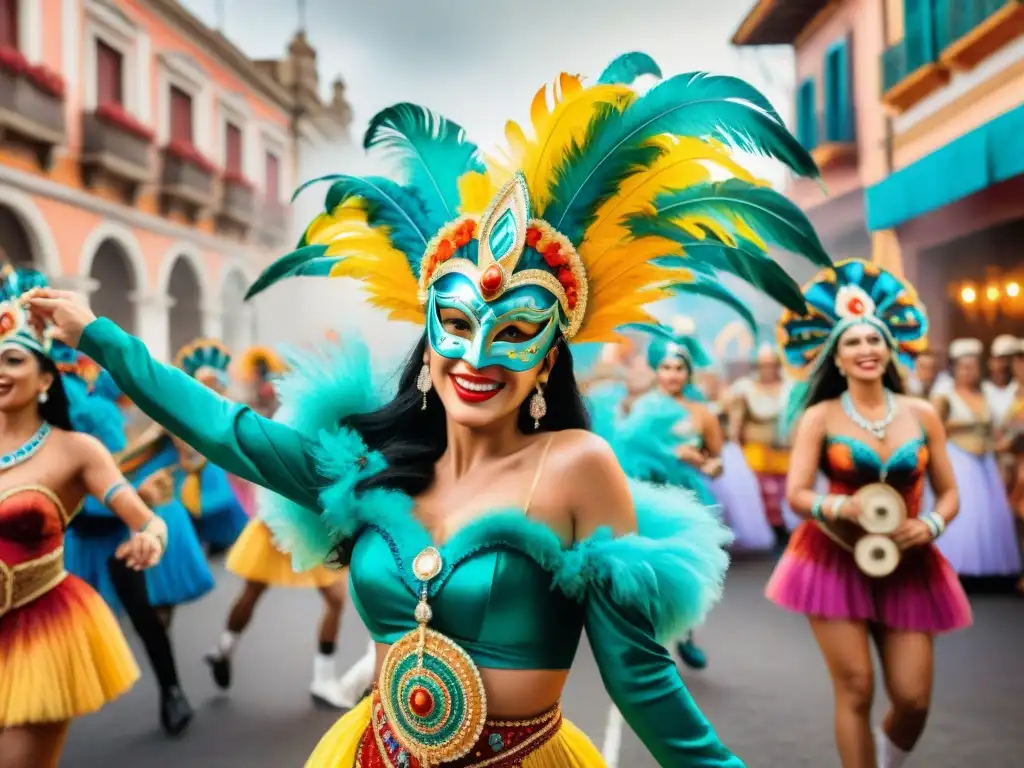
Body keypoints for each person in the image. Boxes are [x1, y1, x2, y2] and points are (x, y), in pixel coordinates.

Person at [24, 53, 830, 766]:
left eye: (513, 332)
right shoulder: (367, 468)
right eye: (456, 326)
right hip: (372, 753)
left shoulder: (578, 469)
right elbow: (221, 426)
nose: (477, 358)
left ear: (551, 354)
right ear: (429, 339)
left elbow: (641, 680)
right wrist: (97, 335)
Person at [766, 259, 972, 768]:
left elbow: (950, 494)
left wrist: (929, 525)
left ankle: (884, 761)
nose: (865, 350)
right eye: (852, 342)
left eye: (874, 340)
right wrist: (839, 504)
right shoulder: (821, 416)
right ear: (835, 357)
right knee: (856, 688)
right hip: (833, 559)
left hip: (910, 564)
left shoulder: (921, 414)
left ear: (889, 349)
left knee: (913, 699)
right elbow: (796, 493)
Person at [0, 265, 167, 768]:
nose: (0, 372)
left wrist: (150, 539)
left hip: (38, 634)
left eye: (12, 359)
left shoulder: (76, 451)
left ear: (47, 377)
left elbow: (146, 521)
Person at [205, 344, 351, 710]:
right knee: (332, 599)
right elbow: (268, 471)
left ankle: (225, 649)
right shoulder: (285, 418)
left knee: (256, 593)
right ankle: (322, 678)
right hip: (286, 523)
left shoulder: (312, 419)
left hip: (292, 522)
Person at [58, 347, 195, 736]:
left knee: (143, 617)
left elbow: (112, 483)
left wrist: (145, 506)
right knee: (62, 631)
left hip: (112, 536)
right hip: (73, 541)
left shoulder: (98, 421)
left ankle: (171, 690)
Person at [612, 319, 728, 672]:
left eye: (679, 368)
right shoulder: (640, 408)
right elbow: (625, 450)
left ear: (688, 373)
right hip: (648, 497)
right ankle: (649, 640)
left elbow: (718, 461)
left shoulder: (702, 414)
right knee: (649, 571)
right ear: (656, 370)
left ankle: (688, 630)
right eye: (666, 367)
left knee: (686, 569)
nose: (672, 375)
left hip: (687, 500)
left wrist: (704, 465)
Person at [931, 338, 1021, 583]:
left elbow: (999, 426)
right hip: (959, 457)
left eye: (973, 367)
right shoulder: (945, 395)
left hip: (984, 460)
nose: (970, 372)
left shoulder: (984, 394)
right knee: (963, 510)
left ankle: (986, 570)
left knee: (988, 514)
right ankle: (955, 565)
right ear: (955, 369)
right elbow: (933, 427)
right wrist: (959, 427)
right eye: (964, 367)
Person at [724, 343, 792, 549]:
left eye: (771, 364)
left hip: (784, 453)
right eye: (764, 364)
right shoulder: (745, 389)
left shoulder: (789, 388)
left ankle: (784, 532)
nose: (768, 369)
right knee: (763, 495)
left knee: (784, 495)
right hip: (755, 454)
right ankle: (770, 532)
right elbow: (735, 423)